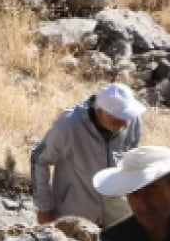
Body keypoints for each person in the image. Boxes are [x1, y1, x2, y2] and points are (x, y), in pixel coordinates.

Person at [31, 83, 145, 228]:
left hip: (117, 218)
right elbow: (39, 159)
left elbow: (131, 162)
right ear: (100, 112)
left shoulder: (132, 120)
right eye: (118, 119)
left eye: (128, 117)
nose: (125, 125)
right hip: (75, 219)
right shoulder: (69, 125)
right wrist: (44, 207)